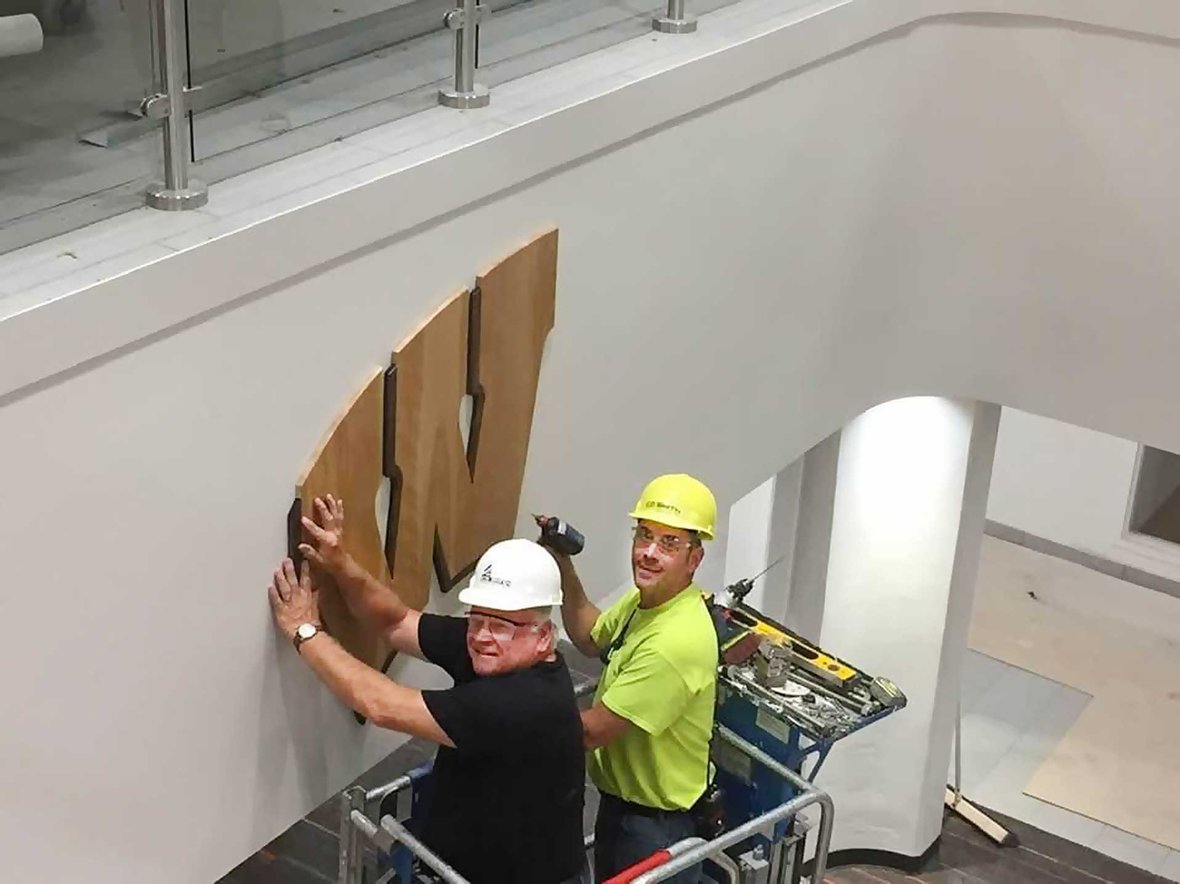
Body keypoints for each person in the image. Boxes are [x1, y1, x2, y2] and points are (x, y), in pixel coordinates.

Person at [268, 495, 587, 884]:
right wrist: (339, 563)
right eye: (477, 618)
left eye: (501, 625)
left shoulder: (524, 704)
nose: (482, 636)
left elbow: (379, 704)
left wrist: (304, 630)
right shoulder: (496, 644)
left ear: (545, 637)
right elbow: (396, 622)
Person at [540, 474, 719, 884]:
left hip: (655, 828)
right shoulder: (647, 602)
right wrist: (562, 563)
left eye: (669, 543)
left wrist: (500, 724)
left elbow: (591, 732)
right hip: (621, 805)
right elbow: (590, 636)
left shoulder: (675, 640)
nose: (649, 553)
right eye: (644, 535)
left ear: (694, 558)